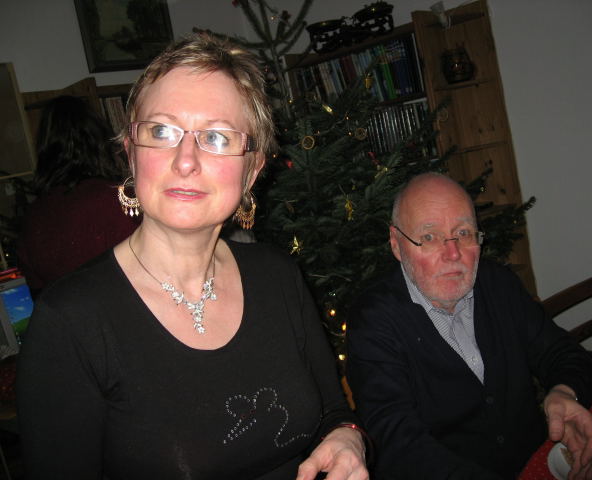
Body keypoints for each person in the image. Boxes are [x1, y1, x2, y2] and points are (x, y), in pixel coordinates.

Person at [17, 33, 369, 480]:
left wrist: (348, 436)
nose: (186, 160)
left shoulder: (278, 275)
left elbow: (333, 411)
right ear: (130, 152)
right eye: (161, 131)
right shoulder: (70, 322)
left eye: (217, 137)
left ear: (252, 169)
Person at [346, 172, 592, 480]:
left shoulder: (498, 283)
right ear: (396, 244)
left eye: (464, 233)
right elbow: (396, 444)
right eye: (429, 237)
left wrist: (563, 393)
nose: (453, 254)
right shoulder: (372, 320)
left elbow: (563, 353)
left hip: (539, 463)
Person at [17, 95, 138, 297]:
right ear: (100, 141)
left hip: (69, 315)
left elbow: (37, 290)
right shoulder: (117, 199)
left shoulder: (33, 216)